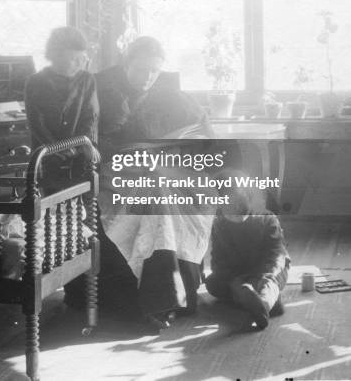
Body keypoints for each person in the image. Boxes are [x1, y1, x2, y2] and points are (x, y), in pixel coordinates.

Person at [94, 36, 216, 328]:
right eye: (140, 69)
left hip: (156, 167)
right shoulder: (102, 90)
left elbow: (202, 130)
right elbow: (95, 142)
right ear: (126, 64)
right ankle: (157, 300)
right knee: (156, 198)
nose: (147, 77)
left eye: (154, 71)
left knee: (180, 193)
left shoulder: (167, 92)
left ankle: (179, 294)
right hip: (115, 172)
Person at [205, 173, 290, 330]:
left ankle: (263, 302)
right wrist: (234, 279)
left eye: (241, 211)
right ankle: (264, 302)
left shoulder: (267, 218)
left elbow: (276, 255)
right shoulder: (219, 224)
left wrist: (264, 276)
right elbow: (218, 261)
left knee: (269, 283)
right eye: (231, 213)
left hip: (266, 272)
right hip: (239, 274)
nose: (237, 217)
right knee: (212, 283)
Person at [24, 26, 98, 193]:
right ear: (55, 56)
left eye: (82, 57)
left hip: (80, 153)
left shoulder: (87, 80)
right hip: (48, 154)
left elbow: (90, 118)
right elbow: (36, 122)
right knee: (53, 202)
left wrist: (78, 147)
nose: (80, 62)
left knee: (81, 203)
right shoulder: (36, 81)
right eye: (73, 58)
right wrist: (56, 149)